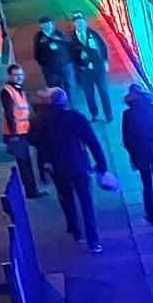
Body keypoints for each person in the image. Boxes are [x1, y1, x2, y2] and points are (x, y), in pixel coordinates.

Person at [29, 88, 109, 253]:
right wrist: (101, 165)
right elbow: (92, 142)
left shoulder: (44, 122)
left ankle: (75, 230)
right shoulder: (76, 118)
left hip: (59, 168)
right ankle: (93, 240)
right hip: (79, 165)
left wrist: (43, 170)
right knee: (86, 203)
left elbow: (38, 145)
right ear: (65, 102)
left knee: (66, 198)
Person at [121, 84, 153, 232]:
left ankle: (152, 216)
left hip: (141, 154)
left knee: (147, 185)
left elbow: (127, 139)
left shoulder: (128, 115)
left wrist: (133, 157)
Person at [0, 65, 45, 198]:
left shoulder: (20, 90)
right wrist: (13, 136)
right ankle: (31, 191)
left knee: (34, 155)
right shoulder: (7, 91)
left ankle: (39, 181)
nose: (19, 77)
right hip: (15, 134)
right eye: (16, 75)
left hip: (24, 131)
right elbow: (9, 114)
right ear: (10, 76)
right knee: (24, 163)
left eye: (21, 74)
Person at [71, 12, 112, 122]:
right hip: (85, 72)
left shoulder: (93, 34)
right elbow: (71, 57)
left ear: (85, 22)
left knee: (103, 91)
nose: (80, 24)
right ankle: (94, 114)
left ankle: (109, 114)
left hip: (99, 68)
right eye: (78, 22)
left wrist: (105, 61)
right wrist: (79, 58)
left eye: (82, 22)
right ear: (74, 24)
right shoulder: (72, 39)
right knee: (89, 94)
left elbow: (102, 46)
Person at [33, 17, 73, 91]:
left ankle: (69, 101)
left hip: (64, 65)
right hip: (50, 68)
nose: (49, 26)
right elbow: (37, 53)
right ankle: (58, 101)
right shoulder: (39, 37)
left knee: (68, 85)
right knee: (54, 87)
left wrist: (68, 61)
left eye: (50, 24)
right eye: (45, 24)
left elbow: (67, 45)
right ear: (41, 26)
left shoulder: (59, 33)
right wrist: (44, 64)